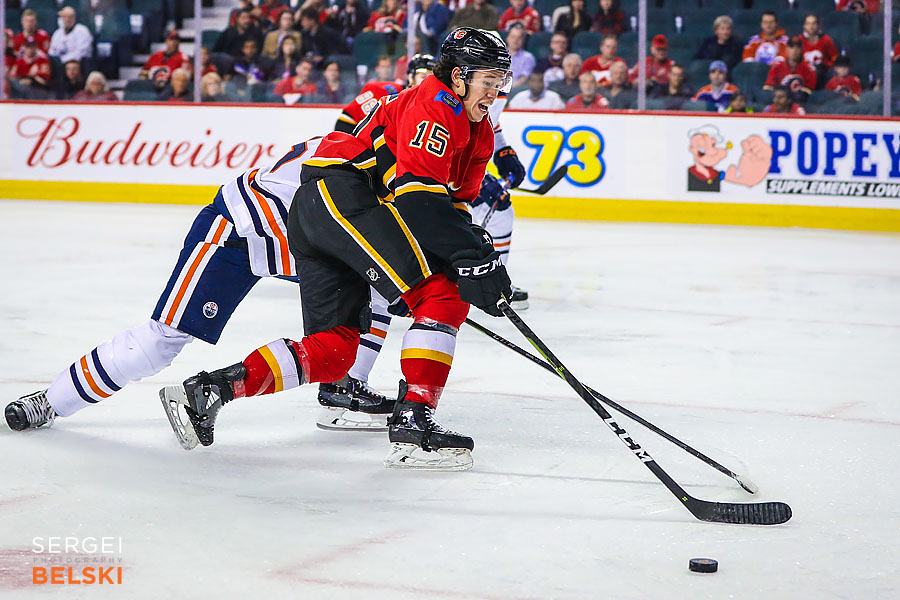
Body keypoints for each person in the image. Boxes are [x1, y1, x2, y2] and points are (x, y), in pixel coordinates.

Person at [156, 28, 514, 472]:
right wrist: (472, 262)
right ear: (458, 76)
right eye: (489, 80)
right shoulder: (435, 104)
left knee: (335, 352)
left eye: (502, 81)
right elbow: (420, 200)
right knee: (441, 294)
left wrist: (472, 258)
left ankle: (212, 389)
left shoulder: (477, 131)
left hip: (325, 211)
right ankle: (414, 425)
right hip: (341, 196)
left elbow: (451, 208)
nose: (496, 91)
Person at [763, 38, 816, 103]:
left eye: (798, 48)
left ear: (802, 50)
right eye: (791, 47)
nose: (794, 51)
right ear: (786, 49)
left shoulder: (809, 69)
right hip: (778, 103)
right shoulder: (777, 67)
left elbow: (808, 93)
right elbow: (769, 88)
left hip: (800, 103)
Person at [796, 14, 837, 88]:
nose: (811, 27)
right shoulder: (799, 40)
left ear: (818, 25)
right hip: (804, 73)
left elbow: (835, 58)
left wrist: (826, 64)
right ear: (804, 26)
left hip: (822, 73)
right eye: (808, 24)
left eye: (814, 24)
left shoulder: (826, 40)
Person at [506, 24, 536, 88]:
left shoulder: (528, 57)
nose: (515, 40)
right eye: (513, 37)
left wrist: (508, 89)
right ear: (507, 38)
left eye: (519, 38)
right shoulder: (499, 54)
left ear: (523, 40)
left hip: (515, 90)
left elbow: (524, 79)